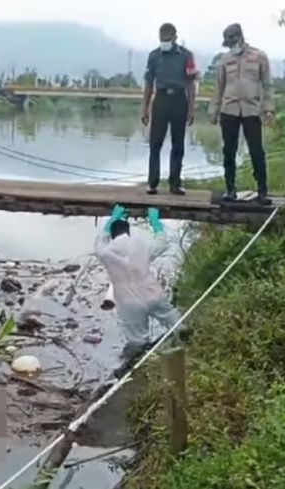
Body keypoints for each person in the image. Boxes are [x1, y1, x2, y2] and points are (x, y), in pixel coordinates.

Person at [94, 205, 181, 364]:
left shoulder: (106, 252)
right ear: (127, 232)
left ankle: (138, 366)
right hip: (153, 294)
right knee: (177, 323)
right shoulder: (141, 244)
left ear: (113, 235)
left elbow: (100, 241)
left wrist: (112, 219)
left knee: (137, 343)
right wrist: (155, 222)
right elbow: (162, 243)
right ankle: (186, 342)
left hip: (129, 304)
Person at [209, 23, 274, 205]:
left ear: (240, 37)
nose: (231, 47)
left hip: (251, 110)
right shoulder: (224, 60)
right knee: (228, 151)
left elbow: (267, 85)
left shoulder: (259, 57)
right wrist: (214, 110)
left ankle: (262, 191)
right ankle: (230, 189)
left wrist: (269, 108)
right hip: (229, 110)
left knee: (256, 151)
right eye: (228, 44)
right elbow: (219, 87)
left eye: (232, 42)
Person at [142, 23, 198, 196]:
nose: (164, 42)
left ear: (175, 37)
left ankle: (175, 183)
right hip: (161, 99)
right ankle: (152, 183)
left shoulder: (186, 55)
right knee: (155, 143)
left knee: (178, 144)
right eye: (162, 39)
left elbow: (190, 83)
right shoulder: (154, 56)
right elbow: (149, 83)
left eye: (167, 39)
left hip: (179, 100)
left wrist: (192, 108)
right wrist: (145, 108)